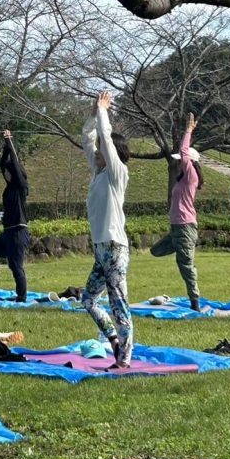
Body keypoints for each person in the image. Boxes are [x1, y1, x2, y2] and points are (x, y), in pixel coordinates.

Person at [79, 90, 133, 368]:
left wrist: (103, 112)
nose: (98, 151)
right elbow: (87, 139)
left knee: (118, 303)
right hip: (101, 249)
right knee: (88, 300)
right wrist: (92, 114)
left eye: (103, 148)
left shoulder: (116, 174)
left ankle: (123, 359)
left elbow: (106, 141)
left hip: (114, 247)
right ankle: (112, 339)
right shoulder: (99, 173)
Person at [151, 113, 204, 311]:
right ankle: (184, 247)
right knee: (155, 251)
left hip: (185, 226)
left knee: (185, 266)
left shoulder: (191, 176)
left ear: (189, 161)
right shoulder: (182, 179)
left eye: (181, 160)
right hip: (176, 228)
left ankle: (195, 302)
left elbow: (183, 151)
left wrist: (189, 130)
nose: (178, 162)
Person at [0, 130, 30, 302]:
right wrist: (5, 149)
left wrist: (9, 141)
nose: (4, 173)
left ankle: (22, 297)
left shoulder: (20, 186)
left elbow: (15, 163)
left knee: (16, 267)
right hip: (8, 233)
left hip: (18, 232)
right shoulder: (10, 186)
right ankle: (12, 255)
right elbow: (3, 164)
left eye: (7, 171)